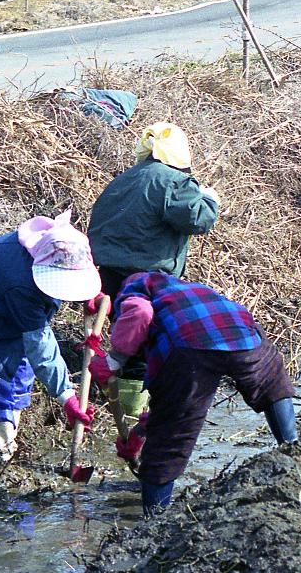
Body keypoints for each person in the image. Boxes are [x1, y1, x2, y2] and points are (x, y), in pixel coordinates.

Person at [88, 272, 298, 515]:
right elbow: (169, 399)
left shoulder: (133, 289)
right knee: (271, 380)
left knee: (169, 438)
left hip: (189, 348)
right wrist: (141, 429)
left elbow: (140, 314)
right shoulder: (188, 288)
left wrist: (113, 360)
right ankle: (293, 447)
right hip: (242, 330)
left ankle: (154, 520)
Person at [0, 211, 103, 469]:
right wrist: (67, 395)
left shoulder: (53, 247)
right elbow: (41, 347)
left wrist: (86, 295)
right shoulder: (21, 284)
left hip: (1, 296)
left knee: (20, 370)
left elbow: (66, 273)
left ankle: (10, 441)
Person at [87, 121, 219, 429]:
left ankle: (117, 394)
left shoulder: (123, 179)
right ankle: (134, 419)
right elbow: (198, 220)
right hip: (147, 276)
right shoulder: (175, 182)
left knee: (126, 332)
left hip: (108, 273)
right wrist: (210, 200)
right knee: (145, 344)